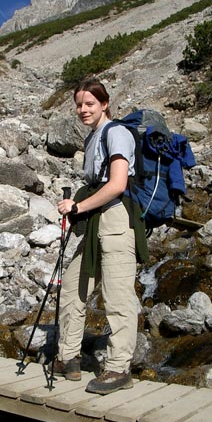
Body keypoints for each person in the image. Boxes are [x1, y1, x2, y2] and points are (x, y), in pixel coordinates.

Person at [54, 78, 148, 395]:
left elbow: (118, 184)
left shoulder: (116, 133)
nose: (83, 109)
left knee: (118, 296)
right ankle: (68, 357)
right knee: (72, 286)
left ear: (104, 104)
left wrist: (78, 205)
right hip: (96, 223)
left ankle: (119, 368)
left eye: (89, 103)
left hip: (117, 221)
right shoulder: (93, 138)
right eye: (79, 104)